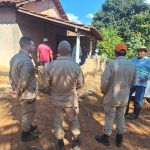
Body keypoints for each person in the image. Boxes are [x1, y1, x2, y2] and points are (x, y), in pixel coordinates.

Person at [44, 40, 84, 150]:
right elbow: (81, 84)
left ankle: (60, 142)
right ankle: (75, 140)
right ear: (70, 51)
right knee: (74, 119)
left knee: (57, 120)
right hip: (71, 100)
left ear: (58, 51)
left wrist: (54, 88)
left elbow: (46, 84)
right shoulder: (76, 66)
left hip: (57, 99)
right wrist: (73, 88)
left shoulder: (51, 66)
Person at [95, 43, 136, 147]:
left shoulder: (111, 64)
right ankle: (119, 139)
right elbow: (133, 84)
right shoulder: (132, 65)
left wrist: (104, 91)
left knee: (109, 117)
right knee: (121, 116)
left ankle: (106, 138)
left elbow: (104, 81)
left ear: (115, 52)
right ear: (125, 53)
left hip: (112, 97)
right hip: (124, 98)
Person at [9, 36, 38, 142]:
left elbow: (10, 75)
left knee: (28, 111)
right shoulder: (26, 61)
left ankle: (28, 126)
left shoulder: (14, 57)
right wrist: (18, 91)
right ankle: (26, 133)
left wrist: (14, 88)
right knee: (28, 113)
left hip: (21, 92)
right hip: (27, 93)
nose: (34, 47)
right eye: (33, 45)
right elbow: (24, 80)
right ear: (27, 46)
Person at [126, 46, 150, 120]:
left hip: (141, 84)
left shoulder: (148, 61)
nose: (139, 52)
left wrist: (146, 78)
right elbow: (126, 65)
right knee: (126, 97)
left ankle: (135, 115)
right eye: (138, 51)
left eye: (141, 51)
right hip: (132, 82)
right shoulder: (134, 59)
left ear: (145, 53)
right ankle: (124, 112)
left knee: (138, 99)